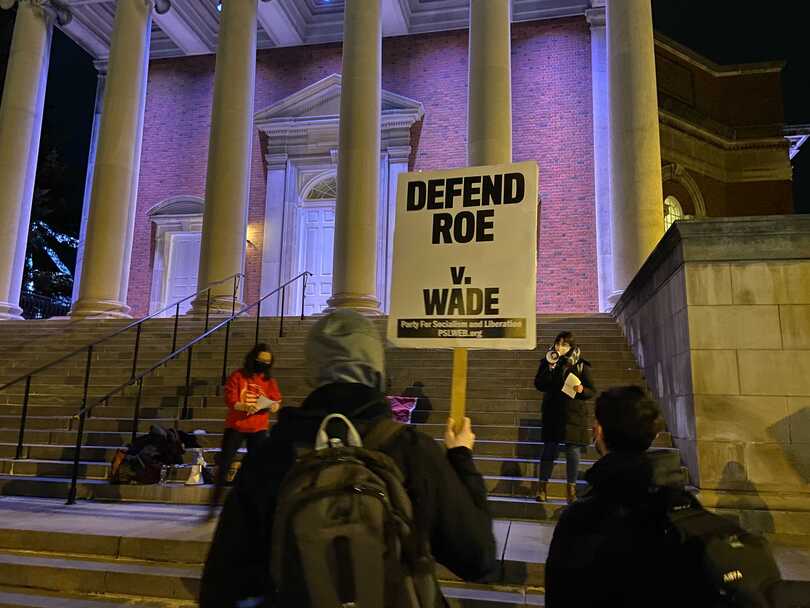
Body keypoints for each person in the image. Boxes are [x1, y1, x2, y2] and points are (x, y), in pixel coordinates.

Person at [199, 309, 497, 607]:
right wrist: (460, 456)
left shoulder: (272, 454)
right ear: (378, 368)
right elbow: (478, 558)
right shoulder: (410, 449)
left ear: (312, 370)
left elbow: (221, 585)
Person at [208, 343, 281, 519]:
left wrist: (272, 406)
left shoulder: (269, 381)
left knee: (258, 468)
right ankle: (213, 505)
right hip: (236, 426)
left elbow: (276, 401)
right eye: (261, 360)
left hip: (258, 427)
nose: (263, 364)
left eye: (267, 362)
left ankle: (255, 507)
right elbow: (230, 398)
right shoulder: (238, 376)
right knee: (225, 464)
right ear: (253, 359)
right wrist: (244, 406)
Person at [534, 331, 595, 503]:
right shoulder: (547, 361)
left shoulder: (581, 364)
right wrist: (550, 368)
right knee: (549, 449)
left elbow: (592, 390)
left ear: (571, 347)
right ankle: (542, 488)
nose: (560, 347)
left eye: (565, 344)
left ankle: (571, 490)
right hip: (553, 412)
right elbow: (539, 384)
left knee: (573, 451)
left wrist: (582, 390)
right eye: (558, 343)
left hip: (573, 413)